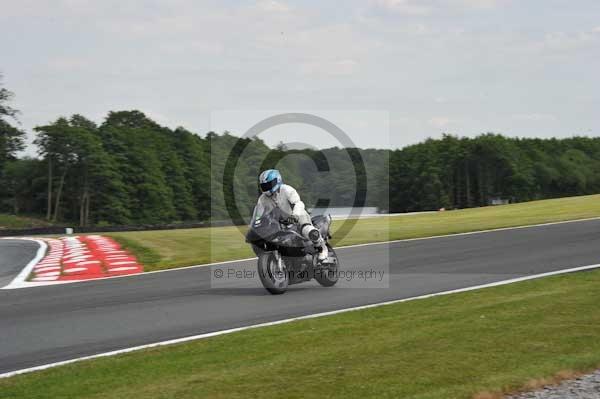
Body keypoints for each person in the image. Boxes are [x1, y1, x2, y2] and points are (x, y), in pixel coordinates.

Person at [254, 169, 328, 261]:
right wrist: (255, 224)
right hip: (281, 223)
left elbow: (298, 203)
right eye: (264, 186)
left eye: (269, 184)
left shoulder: (286, 189)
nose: (266, 187)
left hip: (298, 216)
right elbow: (258, 213)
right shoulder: (263, 199)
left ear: (277, 180)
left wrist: (295, 215)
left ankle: (322, 248)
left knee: (307, 230)